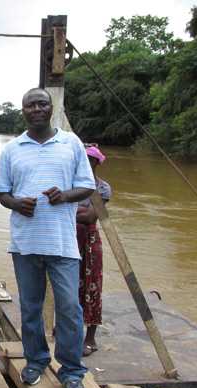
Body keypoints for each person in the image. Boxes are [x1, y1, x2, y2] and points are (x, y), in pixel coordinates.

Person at [0, 87, 95, 388]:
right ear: (22, 111)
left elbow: (87, 186)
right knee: (30, 307)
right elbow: (2, 193)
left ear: (51, 109)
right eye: (30, 105)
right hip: (25, 244)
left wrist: (64, 196)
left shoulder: (71, 143)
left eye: (42, 103)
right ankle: (36, 361)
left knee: (69, 307)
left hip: (63, 243)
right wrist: (16, 204)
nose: (36, 109)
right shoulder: (12, 148)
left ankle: (72, 370)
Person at [76, 145, 110, 357]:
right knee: (68, 285)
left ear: (97, 163)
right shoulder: (72, 183)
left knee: (93, 285)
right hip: (69, 239)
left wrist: (73, 210)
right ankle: (66, 330)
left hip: (89, 240)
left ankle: (90, 337)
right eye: (83, 159)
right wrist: (80, 211)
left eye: (90, 160)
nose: (86, 163)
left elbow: (91, 217)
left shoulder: (103, 188)